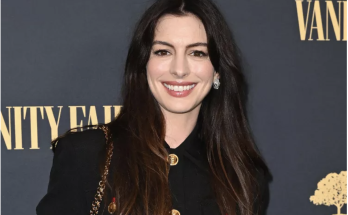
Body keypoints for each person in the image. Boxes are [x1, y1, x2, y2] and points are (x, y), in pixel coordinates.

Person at [36, 0, 271, 214]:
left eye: (197, 53)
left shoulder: (243, 176)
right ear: (143, 63)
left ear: (217, 70)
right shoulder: (86, 154)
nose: (180, 69)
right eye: (163, 51)